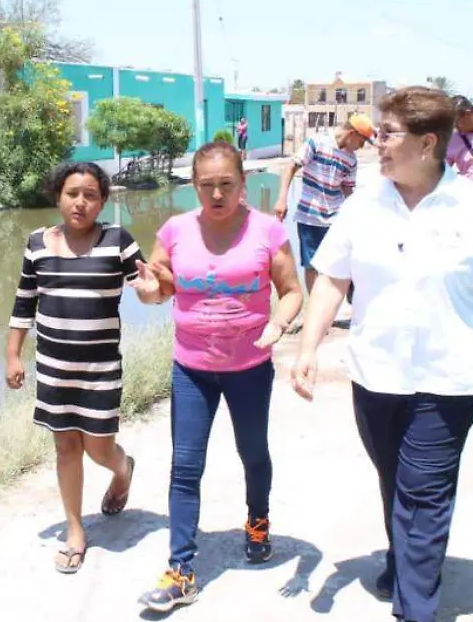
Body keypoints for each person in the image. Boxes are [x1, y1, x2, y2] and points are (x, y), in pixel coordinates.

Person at [291, 87, 473, 622]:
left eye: (389, 134)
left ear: (427, 142)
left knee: (424, 491)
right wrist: (308, 347)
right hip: (376, 373)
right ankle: (405, 558)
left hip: (450, 378)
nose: (378, 144)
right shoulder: (364, 204)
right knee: (394, 479)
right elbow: (330, 280)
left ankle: (414, 608)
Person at [131, 141, 304, 613]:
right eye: (207, 186)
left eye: (227, 184)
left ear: (243, 183)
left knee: (253, 453)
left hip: (249, 367)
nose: (217, 194)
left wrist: (278, 323)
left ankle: (257, 521)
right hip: (191, 367)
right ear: (194, 186)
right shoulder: (175, 231)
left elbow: (291, 291)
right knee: (185, 466)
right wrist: (148, 291)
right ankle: (181, 569)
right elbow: (159, 287)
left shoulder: (267, 230)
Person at [6, 162, 161, 574]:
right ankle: (76, 530)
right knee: (65, 448)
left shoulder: (117, 241)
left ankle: (122, 469)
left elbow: (147, 289)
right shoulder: (37, 243)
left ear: (103, 201)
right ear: (57, 196)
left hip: (100, 368)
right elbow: (24, 303)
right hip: (54, 369)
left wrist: (151, 291)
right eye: (72, 193)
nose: (81, 202)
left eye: (91, 194)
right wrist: (12, 354)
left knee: (99, 448)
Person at [273, 114, 375, 294]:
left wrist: (357, 217)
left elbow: (348, 191)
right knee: (311, 265)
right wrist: (282, 199)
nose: (362, 146)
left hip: (335, 218)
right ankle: (314, 310)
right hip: (309, 215)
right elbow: (291, 167)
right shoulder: (316, 143)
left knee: (337, 264)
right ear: (352, 133)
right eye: (362, 140)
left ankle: (339, 301)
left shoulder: (351, 160)